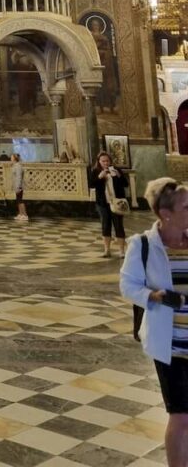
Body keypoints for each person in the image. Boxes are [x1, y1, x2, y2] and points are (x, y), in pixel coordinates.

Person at [120, 178, 188, 467]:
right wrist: (155, 296)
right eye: (186, 206)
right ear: (166, 213)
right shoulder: (144, 244)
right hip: (171, 345)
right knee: (181, 414)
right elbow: (128, 285)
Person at [90, 151, 129, 258]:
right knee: (105, 225)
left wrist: (118, 176)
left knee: (118, 225)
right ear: (99, 162)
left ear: (110, 161)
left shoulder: (116, 170)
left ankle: (122, 251)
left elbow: (125, 184)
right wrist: (99, 177)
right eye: (103, 161)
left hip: (117, 202)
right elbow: (92, 185)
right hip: (103, 203)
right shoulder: (95, 171)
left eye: (107, 161)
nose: (105, 163)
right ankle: (107, 250)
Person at [11, 152, 28, 221]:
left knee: (20, 201)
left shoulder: (18, 166)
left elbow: (19, 177)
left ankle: (25, 214)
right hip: (16, 186)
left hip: (19, 186)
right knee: (18, 200)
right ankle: (20, 214)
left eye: (11, 157)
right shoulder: (15, 166)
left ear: (15, 158)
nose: (10, 159)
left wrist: (18, 187)